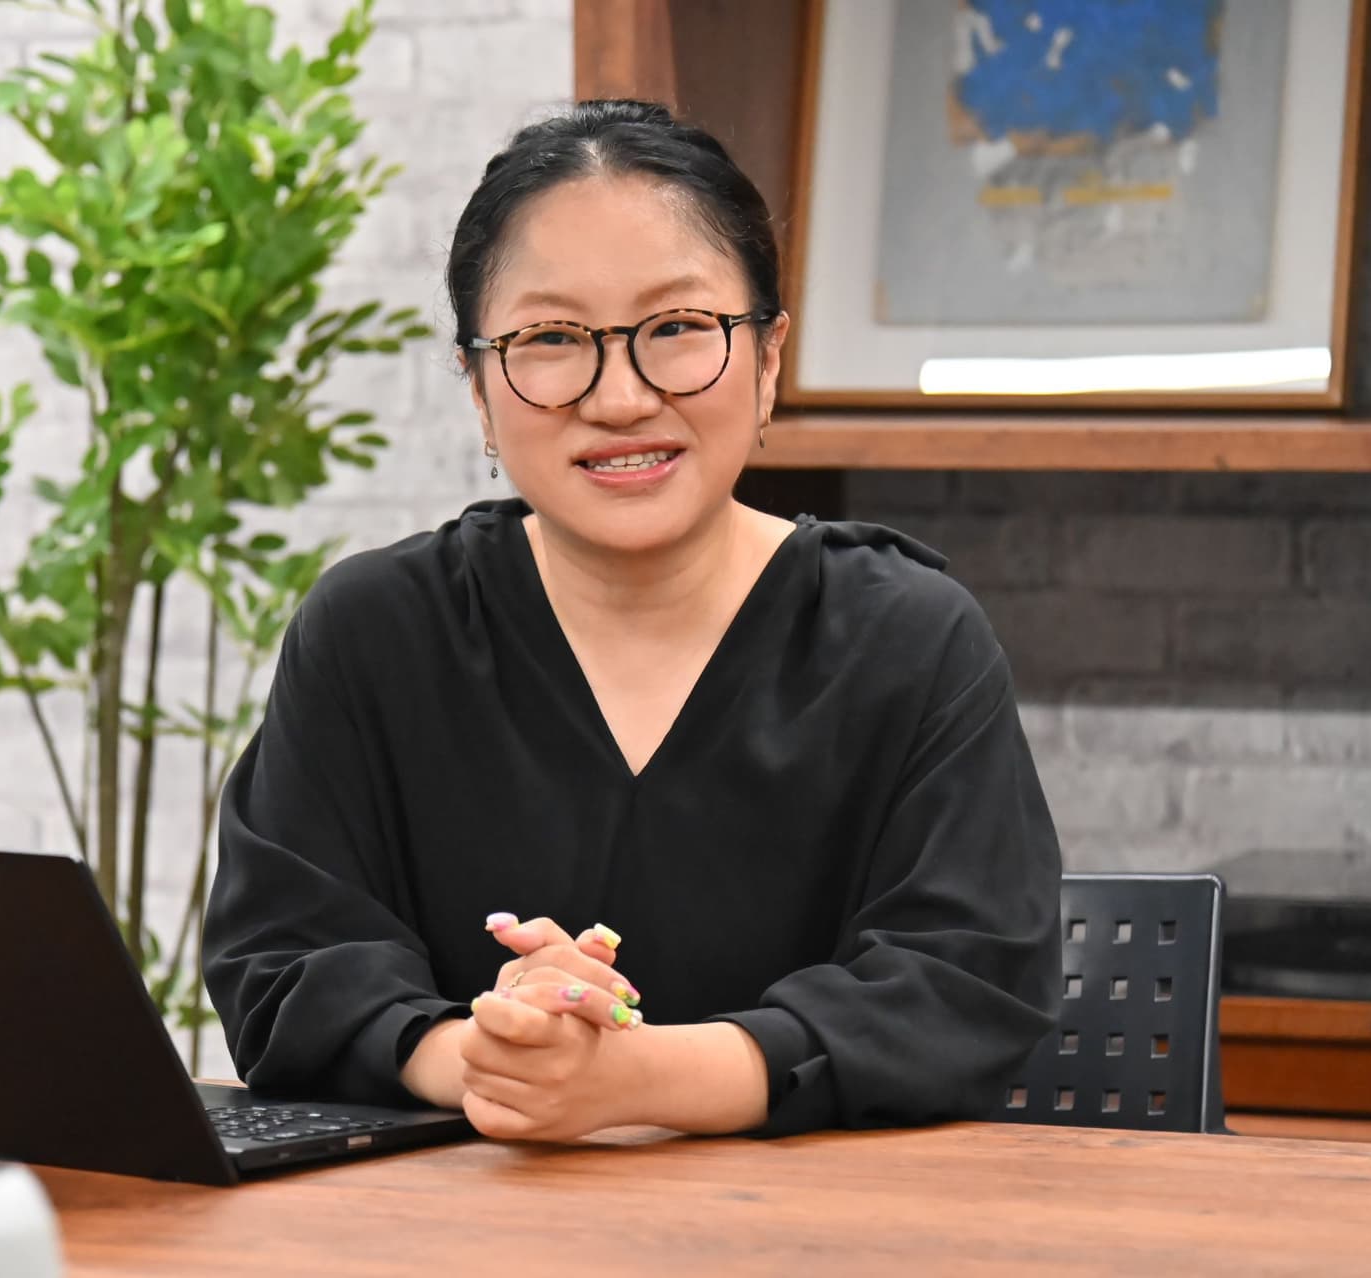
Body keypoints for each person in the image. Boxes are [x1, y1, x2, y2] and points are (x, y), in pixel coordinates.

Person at [202, 100, 1061, 1141]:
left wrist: (640, 1077)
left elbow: (962, 986)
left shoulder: (908, 639)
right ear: (478, 385)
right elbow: (283, 958)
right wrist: (488, 1057)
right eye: (552, 339)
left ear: (770, 358)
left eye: (678, 330)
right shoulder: (374, 633)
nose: (620, 398)